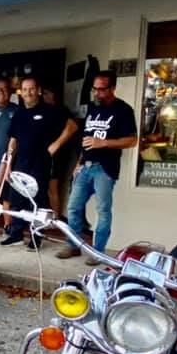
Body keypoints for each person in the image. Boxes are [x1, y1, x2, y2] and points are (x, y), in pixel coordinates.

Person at [57, 70, 137, 264]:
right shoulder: (93, 108)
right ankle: (73, 244)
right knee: (73, 207)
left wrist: (104, 143)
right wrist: (79, 163)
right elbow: (87, 139)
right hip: (86, 166)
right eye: (95, 89)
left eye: (102, 90)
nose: (97, 94)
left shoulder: (123, 110)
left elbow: (132, 140)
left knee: (103, 211)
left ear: (112, 88)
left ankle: (98, 251)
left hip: (105, 168)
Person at [2, 74, 78, 250]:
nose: (28, 93)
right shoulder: (19, 114)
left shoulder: (50, 111)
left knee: (38, 203)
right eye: (25, 90)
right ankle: (16, 234)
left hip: (41, 164)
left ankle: (37, 237)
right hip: (20, 163)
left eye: (31, 90)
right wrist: (8, 165)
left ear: (38, 91)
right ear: (21, 93)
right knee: (18, 201)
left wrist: (56, 145)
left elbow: (72, 126)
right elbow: (13, 140)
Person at [41, 85, 81, 222]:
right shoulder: (42, 109)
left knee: (52, 187)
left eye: (47, 92)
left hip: (54, 155)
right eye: (43, 93)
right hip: (41, 154)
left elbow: (73, 126)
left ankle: (56, 219)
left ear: (54, 94)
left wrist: (56, 144)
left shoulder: (60, 110)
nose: (44, 96)